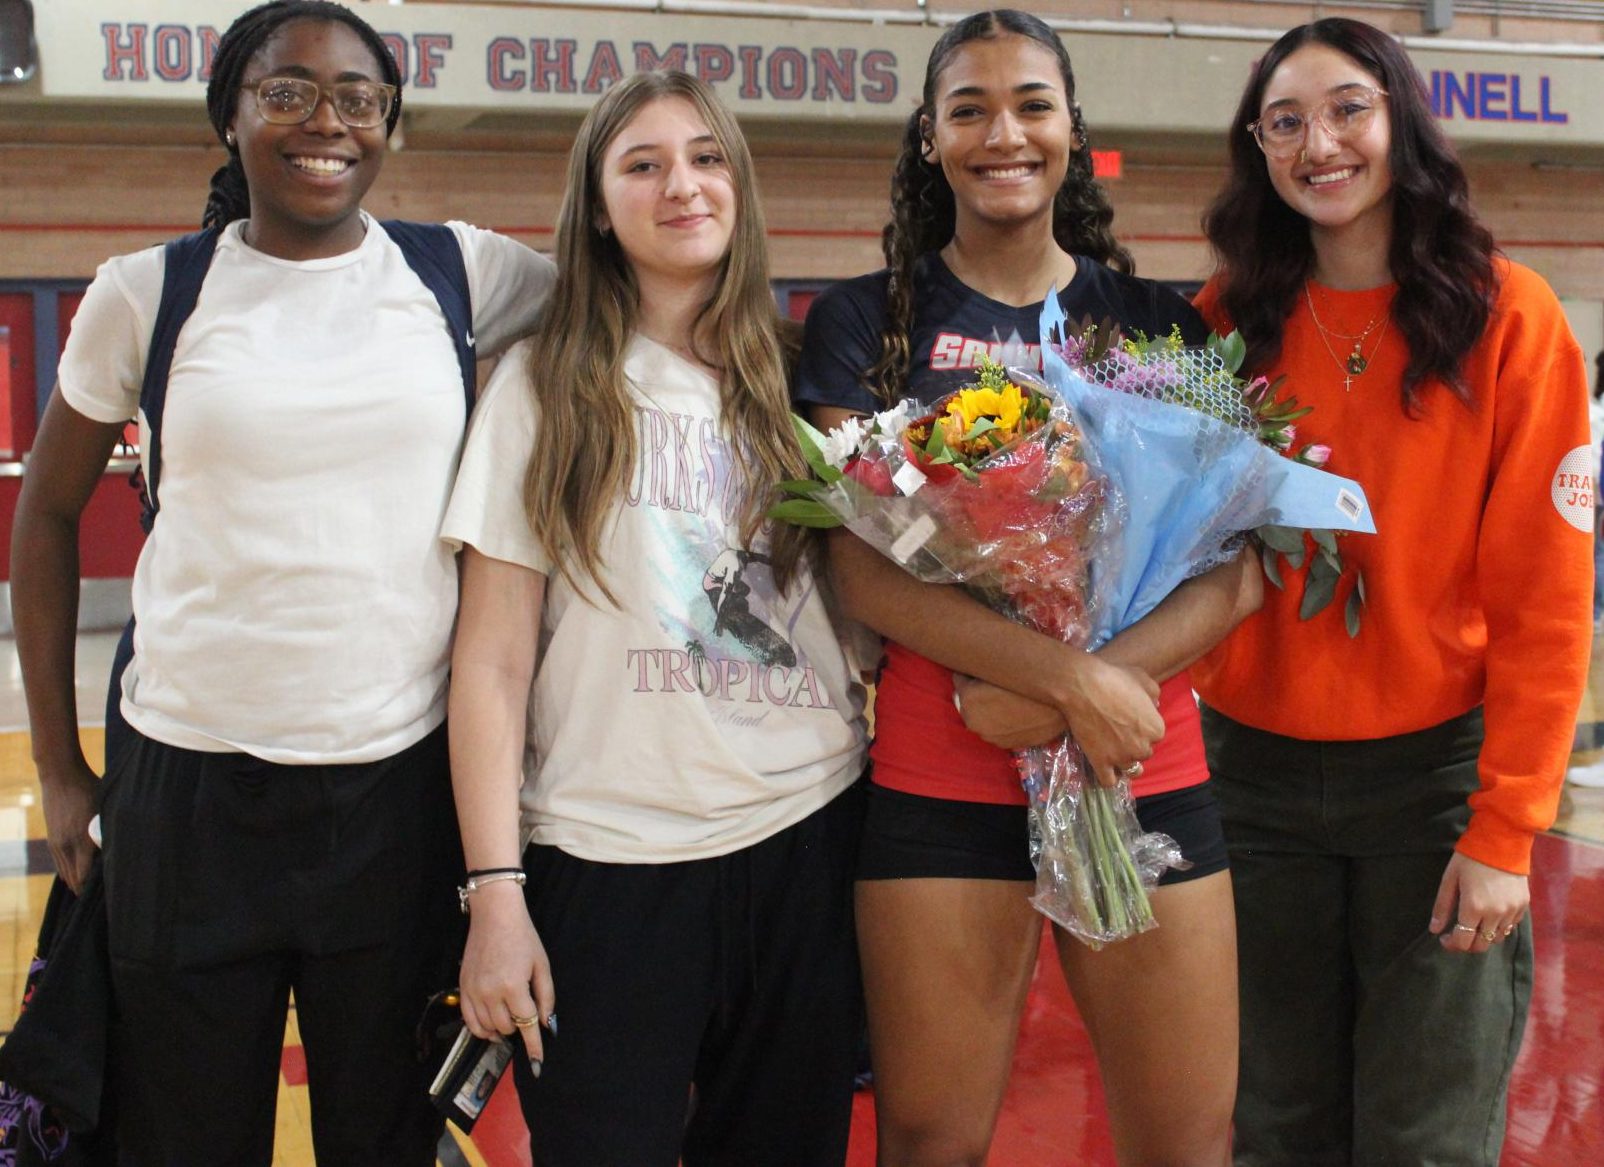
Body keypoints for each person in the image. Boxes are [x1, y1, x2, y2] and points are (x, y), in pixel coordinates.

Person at [10, 1, 555, 1161]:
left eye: (359, 98)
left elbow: (627, 309)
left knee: (386, 1139)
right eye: (288, 92)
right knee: (181, 1139)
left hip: (393, 799)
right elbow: (45, 514)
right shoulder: (147, 293)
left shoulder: (460, 271)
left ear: (390, 125)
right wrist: (61, 766)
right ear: (230, 116)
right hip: (185, 803)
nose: (328, 123)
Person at [793, 10, 1259, 1166]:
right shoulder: (862, 321)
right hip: (940, 762)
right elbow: (859, 559)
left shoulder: (1155, 324)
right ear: (929, 137)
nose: (1003, 132)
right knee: (928, 1140)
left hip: (1138, 756)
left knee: (1184, 1142)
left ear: (1069, 129)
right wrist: (1052, 678)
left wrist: (1084, 694)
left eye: (1030, 105)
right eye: (968, 108)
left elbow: (1234, 570)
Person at [440, 70, 868, 1167]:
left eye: (707, 158)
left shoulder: (799, 383)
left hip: (804, 837)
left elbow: (859, 612)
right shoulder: (545, 387)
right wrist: (495, 896)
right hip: (606, 860)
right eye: (643, 164)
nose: (682, 185)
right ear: (596, 204)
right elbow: (487, 662)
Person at [1194, 17, 1592, 1165]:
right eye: (1283, 123)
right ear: (1257, 150)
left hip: (1432, 789)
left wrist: (1507, 830)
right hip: (1251, 785)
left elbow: (1546, 600)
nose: (1317, 142)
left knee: (1420, 1136)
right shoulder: (1226, 325)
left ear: (1398, 122)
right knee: (1273, 1126)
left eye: (1345, 110)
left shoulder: (1506, 319)